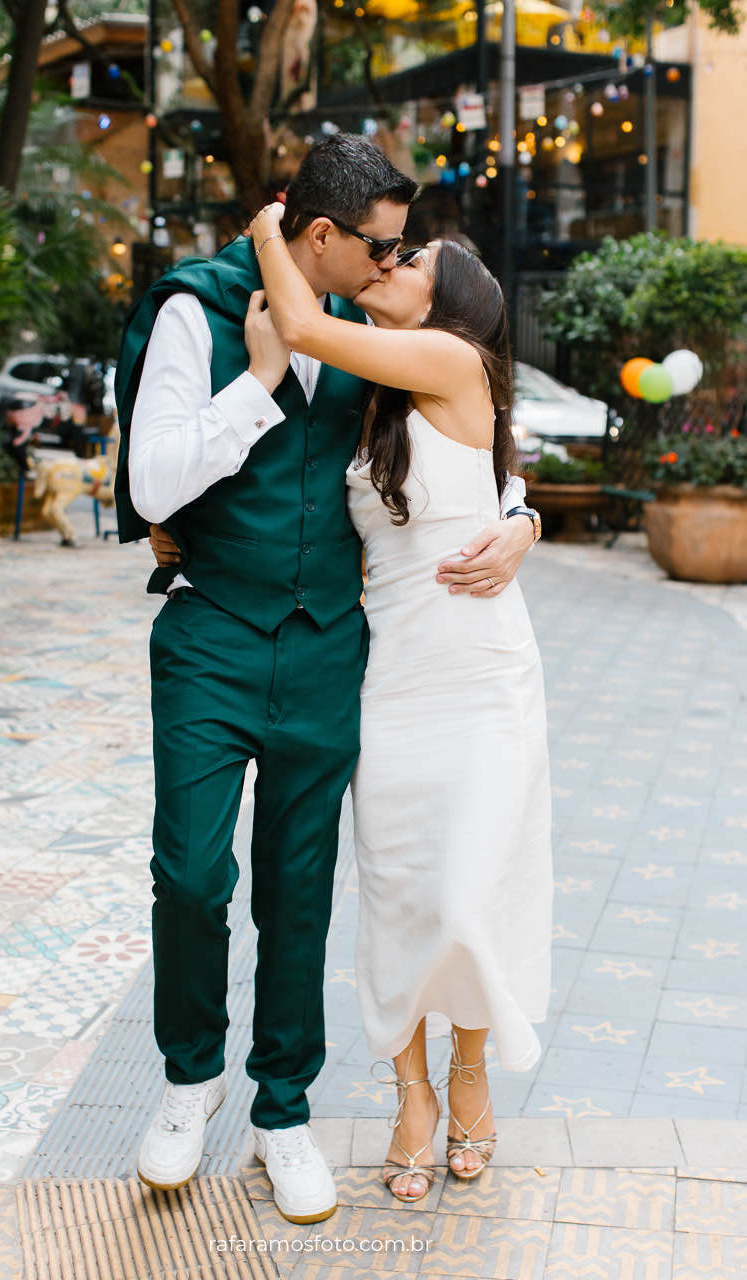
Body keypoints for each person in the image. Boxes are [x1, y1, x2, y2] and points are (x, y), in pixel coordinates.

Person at [114, 133, 537, 1225]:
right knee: (193, 873)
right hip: (210, 631)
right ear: (324, 236)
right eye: (384, 245)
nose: (393, 261)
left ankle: (282, 1110)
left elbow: (475, 438)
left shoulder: (361, 334)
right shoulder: (194, 312)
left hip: (332, 652)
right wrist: (256, 380)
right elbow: (151, 478)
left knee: (300, 893)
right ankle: (185, 1078)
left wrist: (521, 518)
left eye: (403, 252)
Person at [241, 200, 553, 1206]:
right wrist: (524, 514)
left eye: (411, 259)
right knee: (401, 897)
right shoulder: (367, 399)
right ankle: (411, 1095)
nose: (389, 260)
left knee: (465, 893)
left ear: (447, 304)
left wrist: (269, 232)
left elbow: (299, 321)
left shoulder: (455, 367)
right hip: (391, 680)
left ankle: (470, 1070)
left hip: (480, 673)